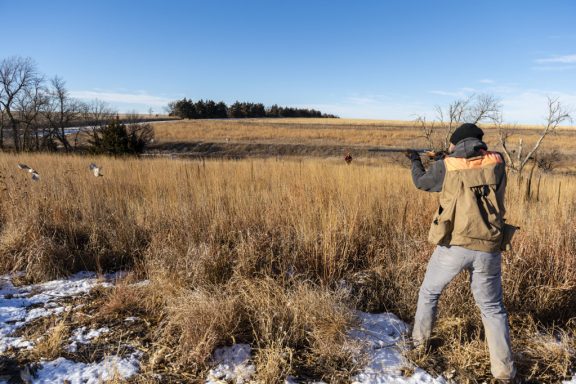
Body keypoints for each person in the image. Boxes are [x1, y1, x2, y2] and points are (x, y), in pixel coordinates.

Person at [406, 123, 517, 383]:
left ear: (456, 143)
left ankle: (418, 348)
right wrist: (446, 157)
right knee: (492, 308)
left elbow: (422, 183)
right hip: (489, 245)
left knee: (429, 292)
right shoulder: (498, 161)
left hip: (454, 245)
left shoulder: (448, 165)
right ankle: (504, 373)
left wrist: (416, 161)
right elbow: (476, 168)